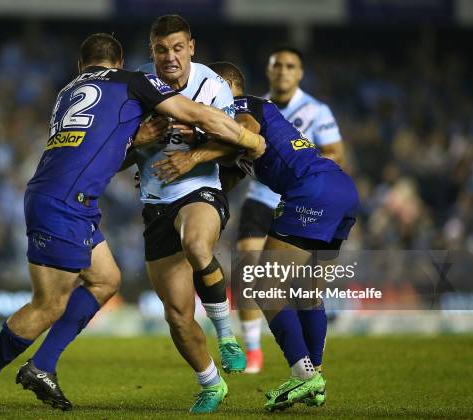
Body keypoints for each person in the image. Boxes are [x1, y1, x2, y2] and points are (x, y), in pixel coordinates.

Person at [0, 35, 265, 416]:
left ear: (84, 67)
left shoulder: (68, 91)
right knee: (48, 304)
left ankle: (42, 366)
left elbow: (96, 142)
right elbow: (196, 114)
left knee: (106, 279)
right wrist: (248, 139)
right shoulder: (130, 81)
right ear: (117, 62)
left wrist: (135, 138)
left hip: (61, 196)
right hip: (65, 202)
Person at [152, 61, 358, 411]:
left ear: (225, 84)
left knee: (263, 285)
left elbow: (248, 135)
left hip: (310, 191)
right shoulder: (226, 129)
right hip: (341, 190)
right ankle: (315, 376)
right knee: (307, 291)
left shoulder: (242, 105)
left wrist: (195, 156)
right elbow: (229, 176)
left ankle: (304, 375)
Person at [128, 15, 247, 414]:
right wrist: (137, 140)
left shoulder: (212, 86)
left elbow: (237, 145)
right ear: (152, 50)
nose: (170, 57)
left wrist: (193, 156)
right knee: (178, 316)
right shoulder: (137, 84)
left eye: (178, 48)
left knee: (196, 244)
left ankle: (227, 335)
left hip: (200, 191)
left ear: (191, 47)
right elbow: (113, 153)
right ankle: (211, 383)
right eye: (162, 49)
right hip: (155, 205)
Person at [238, 47, 345, 374]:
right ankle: (253, 351)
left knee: (305, 289)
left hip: (302, 200)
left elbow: (335, 154)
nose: (283, 71)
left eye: (290, 66)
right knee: (248, 271)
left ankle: (310, 360)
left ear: (299, 73)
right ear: (269, 72)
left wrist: (301, 170)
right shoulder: (254, 107)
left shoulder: (317, 110)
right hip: (261, 199)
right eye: (277, 66)